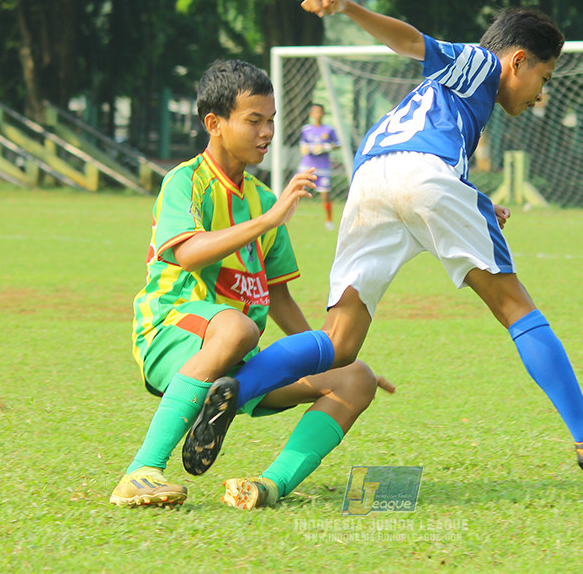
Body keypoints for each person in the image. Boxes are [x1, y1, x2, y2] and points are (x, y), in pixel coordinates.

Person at [185, 0, 583, 477]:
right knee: (515, 307)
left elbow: (414, 165)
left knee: (339, 342)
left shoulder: (444, 100)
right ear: (519, 59)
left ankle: (235, 390)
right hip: (423, 177)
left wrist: (478, 203)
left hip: (370, 181)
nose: (539, 94)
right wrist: (350, 9)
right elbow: (411, 43)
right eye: (541, 79)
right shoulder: (481, 63)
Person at [110, 59, 393, 509]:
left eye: (272, 120)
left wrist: (328, 358)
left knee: (355, 378)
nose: (267, 132)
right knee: (238, 328)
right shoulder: (185, 182)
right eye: (254, 120)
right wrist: (266, 220)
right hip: (171, 333)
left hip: (240, 361)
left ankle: (267, 487)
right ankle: (141, 471)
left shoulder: (262, 197)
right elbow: (186, 252)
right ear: (214, 123)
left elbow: (277, 296)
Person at [298, 103, 341, 229]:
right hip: (307, 166)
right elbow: (303, 146)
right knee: (298, 192)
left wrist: (325, 147)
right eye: (315, 112)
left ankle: (328, 221)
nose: (317, 114)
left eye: (319, 112)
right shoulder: (306, 130)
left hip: (323, 167)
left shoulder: (329, 129)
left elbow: (337, 144)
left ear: (323, 114)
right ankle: (286, 218)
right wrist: (307, 148)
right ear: (311, 114)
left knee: (325, 194)